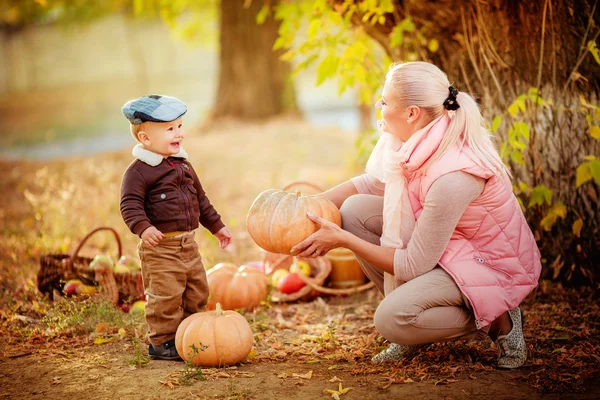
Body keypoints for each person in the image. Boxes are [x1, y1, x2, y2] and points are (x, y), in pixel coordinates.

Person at [290, 61, 542, 369]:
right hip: (448, 245)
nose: (378, 105)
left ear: (411, 113)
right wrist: (306, 205)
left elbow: (412, 264)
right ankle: (416, 329)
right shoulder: (416, 136)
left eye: (385, 101)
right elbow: (372, 183)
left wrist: (343, 240)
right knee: (354, 211)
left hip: (488, 265)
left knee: (391, 319)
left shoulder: (454, 175)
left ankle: (499, 319)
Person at [120, 94, 232, 361]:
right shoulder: (138, 172)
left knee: (197, 290)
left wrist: (217, 226)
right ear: (145, 139)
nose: (178, 133)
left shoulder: (183, 165)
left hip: (188, 245)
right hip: (160, 249)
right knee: (165, 296)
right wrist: (144, 228)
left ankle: (191, 334)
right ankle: (161, 342)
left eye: (179, 126)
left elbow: (200, 199)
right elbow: (130, 205)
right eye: (170, 129)